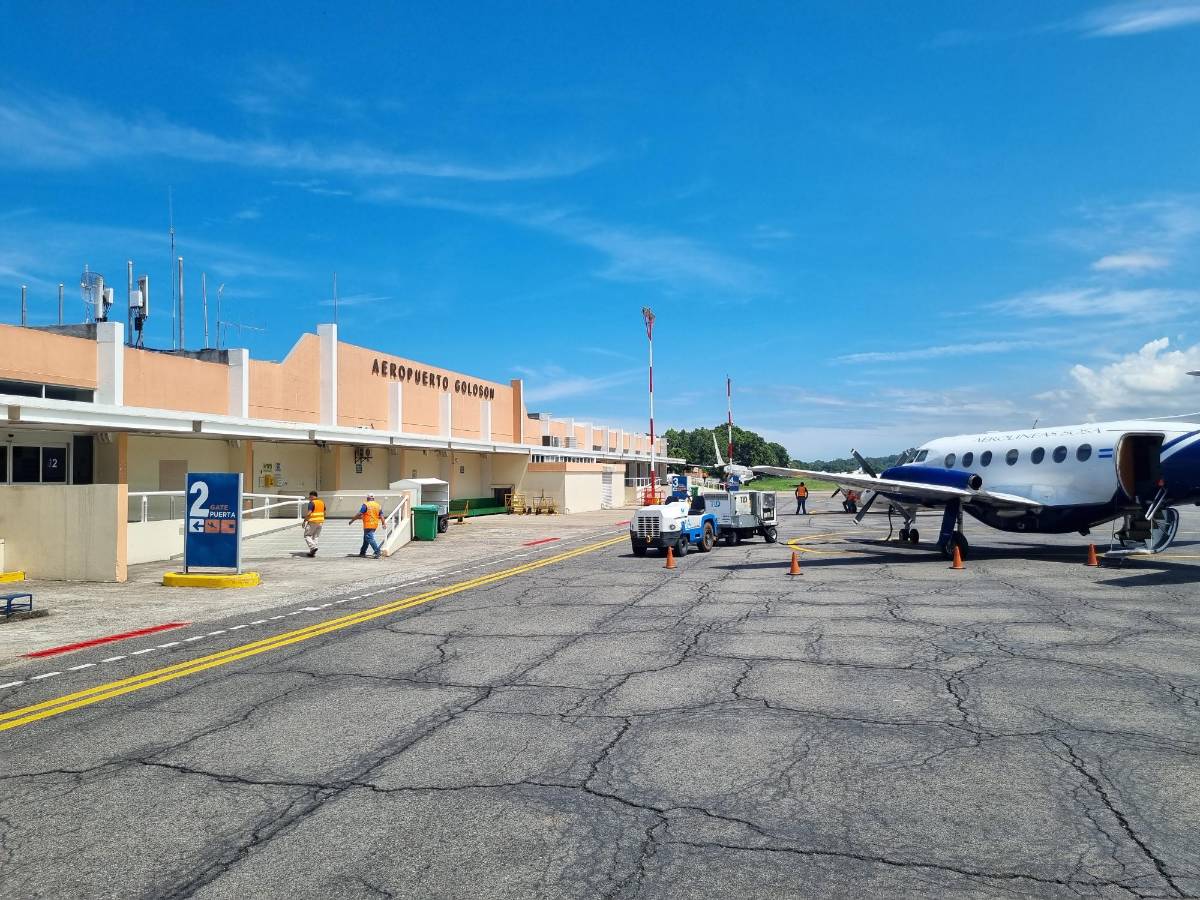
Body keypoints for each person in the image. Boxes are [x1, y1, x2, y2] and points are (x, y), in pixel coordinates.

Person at [349, 492, 383, 558]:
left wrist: (352, 520)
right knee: (366, 539)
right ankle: (362, 552)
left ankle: (377, 551)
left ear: (367, 498)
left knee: (369, 538)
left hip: (368, 524)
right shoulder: (378, 505)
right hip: (375, 525)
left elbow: (360, 513)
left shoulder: (366, 504)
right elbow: (381, 515)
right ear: (373, 498)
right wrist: (383, 523)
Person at [302, 490, 325, 557]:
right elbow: (324, 512)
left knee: (307, 535)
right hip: (320, 522)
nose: (309, 498)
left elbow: (309, 513)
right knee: (315, 536)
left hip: (312, 521)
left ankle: (313, 547)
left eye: (309, 496)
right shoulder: (322, 502)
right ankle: (312, 552)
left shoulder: (312, 503)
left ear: (312, 496)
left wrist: (304, 521)